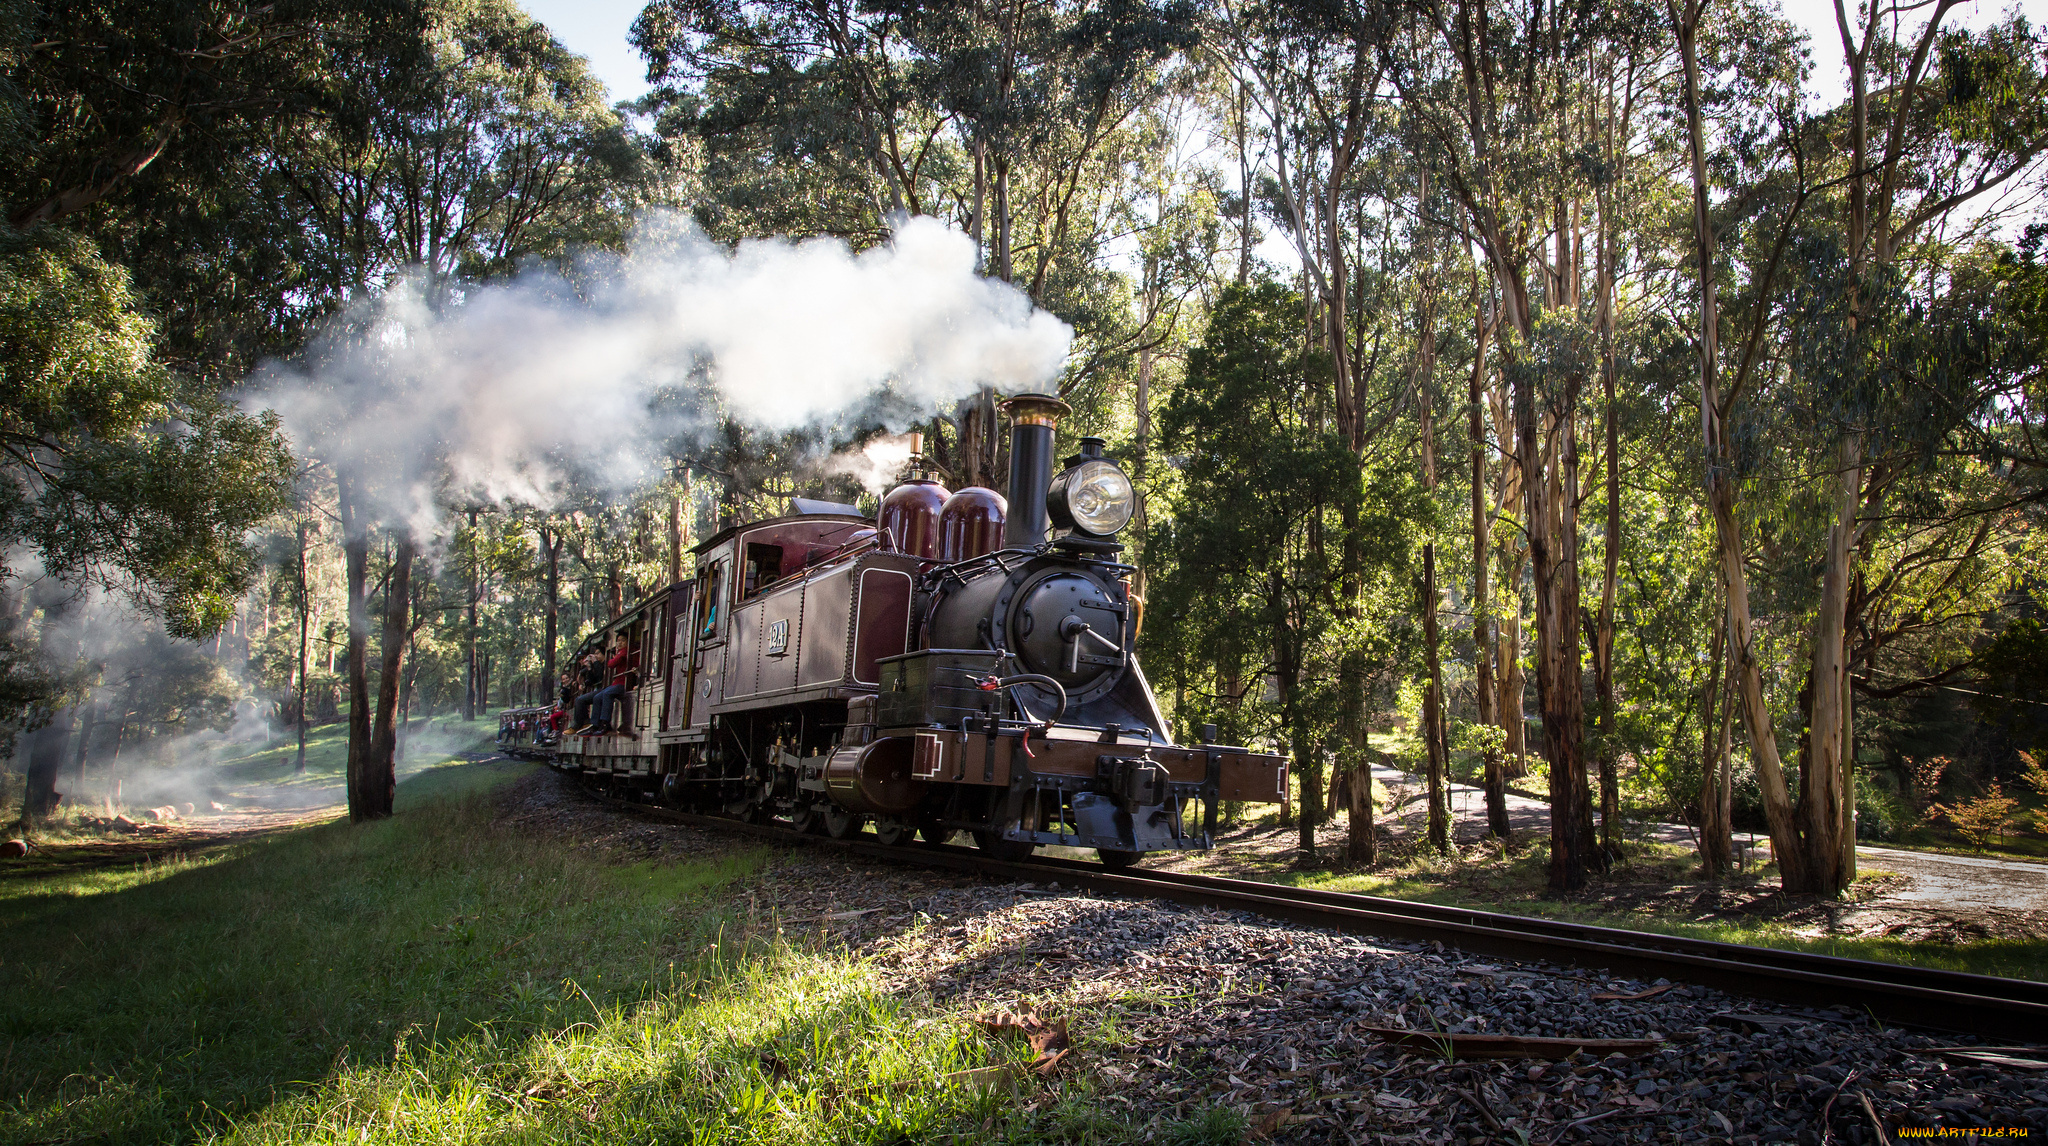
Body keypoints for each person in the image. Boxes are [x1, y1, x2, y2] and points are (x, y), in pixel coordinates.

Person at [592, 634, 635, 737]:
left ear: (628, 641)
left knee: (607, 693)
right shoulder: (620, 652)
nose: (620, 643)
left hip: (624, 683)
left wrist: (615, 657)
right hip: (617, 683)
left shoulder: (625, 651)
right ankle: (596, 724)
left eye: (623, 640)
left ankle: (606, 723)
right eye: (618, 641)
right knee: (597, 697)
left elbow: (611, 664)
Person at [570, 648, 607, 732]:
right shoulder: (594, 665)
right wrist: (589, 668)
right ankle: (584, 722)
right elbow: (591, 680)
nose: (596, 656)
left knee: (584, 699)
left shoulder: (604, 663)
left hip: (604, 688)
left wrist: (595, 662)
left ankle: (586, 724)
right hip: (598, 689)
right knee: (579, 700)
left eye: (597, 653)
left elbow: (600, 676)